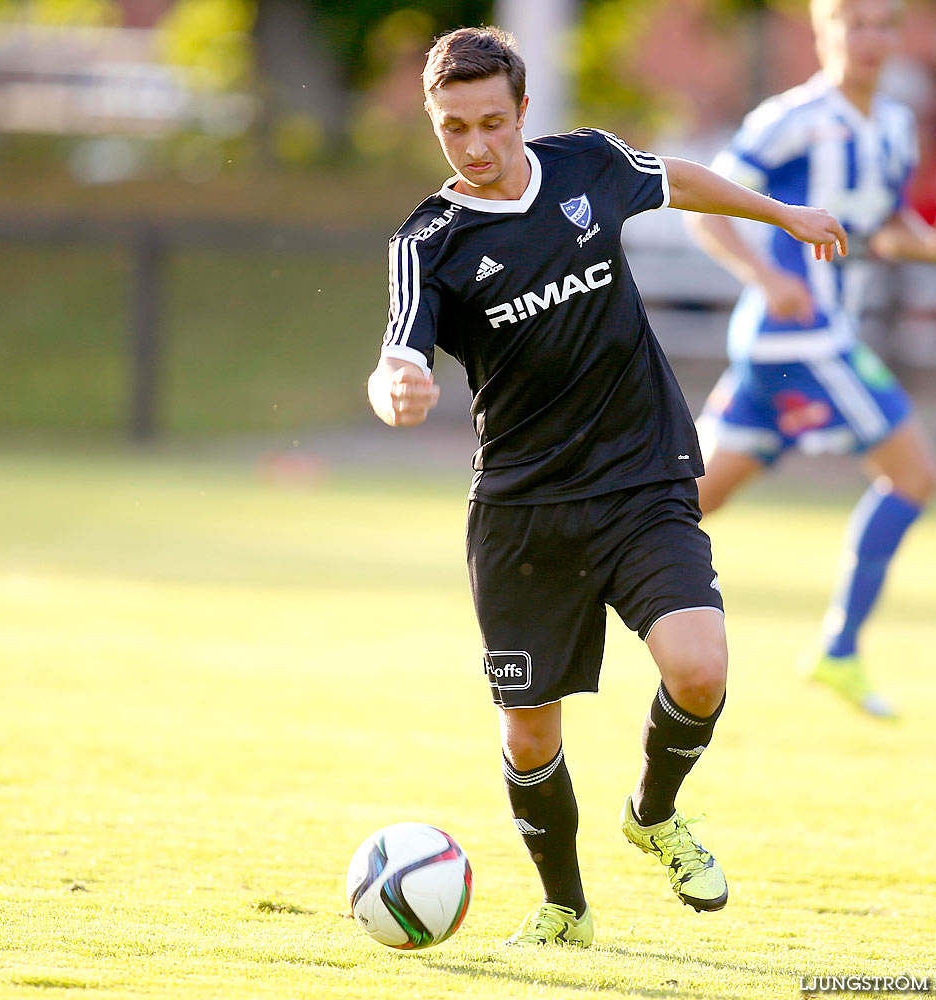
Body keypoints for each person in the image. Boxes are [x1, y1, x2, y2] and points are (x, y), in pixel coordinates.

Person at [366, 26, 847, 948]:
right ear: (435, 124)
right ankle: (566, 908)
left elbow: (678, 178)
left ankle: (656, 812)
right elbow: (399, 348)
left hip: (642, 477)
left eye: (492, 123)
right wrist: (396, 386)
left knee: (699, 668)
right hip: (522, 511)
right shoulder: (428, 241)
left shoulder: (586, 166)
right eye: (454, 128)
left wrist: (784, 216)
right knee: (529, 741)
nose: (475, 147)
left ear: (522, 113)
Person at [685, 0, 936, 719]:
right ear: (823, 32)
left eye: (884, 24)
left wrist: (935, 244)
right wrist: (767, 276)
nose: (870, 39)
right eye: (855, 23)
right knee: (916, 473)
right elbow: (701, 204)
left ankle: (578, 569)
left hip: (795, 344)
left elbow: (881, 228)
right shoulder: (791, 117)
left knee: (688, 501)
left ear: (899, 34)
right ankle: (840, 649)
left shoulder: (897, 125)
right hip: (803, 338)